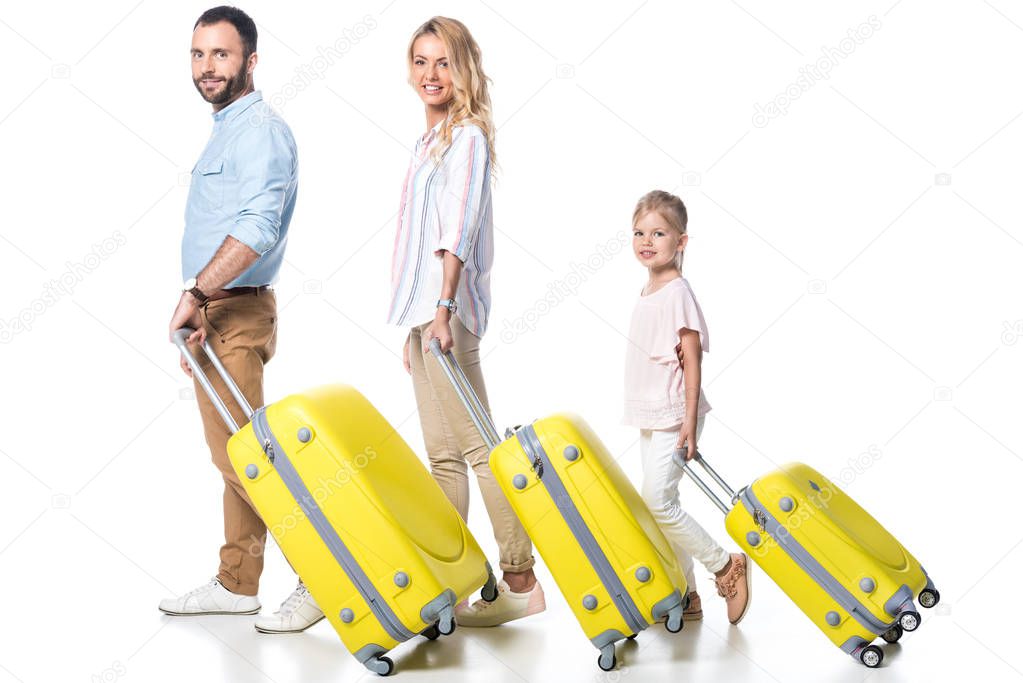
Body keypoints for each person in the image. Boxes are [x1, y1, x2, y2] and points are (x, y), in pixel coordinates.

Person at [160, 6, 314, 633]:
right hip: (215, 313)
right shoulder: (227, 128)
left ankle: (322, 575)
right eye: (198, 55)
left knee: (254, 458)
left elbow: (256, 227)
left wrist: (198, 292)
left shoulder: (262, 132)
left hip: (233, 308)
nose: (207, 67)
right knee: (235, 456)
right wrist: (201, 305)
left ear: (251, 60)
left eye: (221, 55)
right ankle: (237, 583)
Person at [388, 16, 545, 626]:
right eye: (422, 62)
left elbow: (457, 228)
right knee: (443, 459)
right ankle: (453, 580)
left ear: (464, 70)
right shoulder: (426, 143)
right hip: (423, 320)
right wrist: (412, 328)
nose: (432, 75)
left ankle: (520, 577)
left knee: (481, 449)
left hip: (447, 315)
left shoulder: (468, 138)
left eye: (444, 63)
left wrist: (444, 311)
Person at [623, 190, 752, 625]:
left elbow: (692, 357)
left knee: (657, 501)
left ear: (681, 242)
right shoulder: (648, 288)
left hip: (676, 414)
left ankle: (725, 565)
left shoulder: (676, 290)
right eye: (639, 232)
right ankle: (687, 594)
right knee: (659, 502)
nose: (647, 241)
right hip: (651, 413)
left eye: (658, 233)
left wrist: (689, 425)